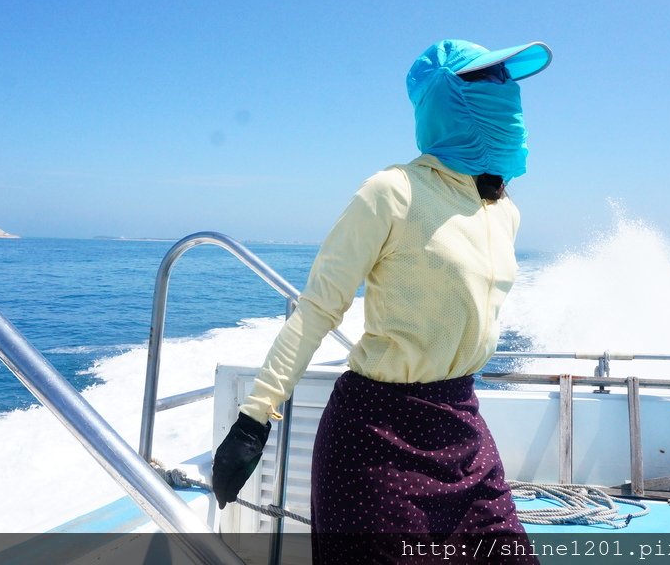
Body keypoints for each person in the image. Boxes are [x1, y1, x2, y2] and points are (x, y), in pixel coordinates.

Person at [212, 38, 552, 563]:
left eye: (506, 80)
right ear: (445, 100)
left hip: (461, 421)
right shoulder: (390, 191)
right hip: (376, 434)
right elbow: (319, 307)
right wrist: (254, 418)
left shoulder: (503, 212)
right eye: (487, 80)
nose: (505, 92)